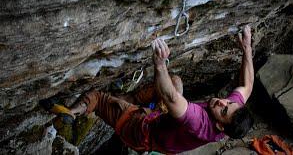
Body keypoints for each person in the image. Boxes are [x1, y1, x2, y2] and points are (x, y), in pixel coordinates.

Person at [59, 25, 254, 154]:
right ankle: (123, 97)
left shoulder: (199, 123)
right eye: (228, 102)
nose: (222, 101)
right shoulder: (233, 116)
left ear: (220, 126)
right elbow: (247, 85)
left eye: (224, 109)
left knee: (98, 98)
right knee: (175, 81)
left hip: (141, 131)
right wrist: (247, 49)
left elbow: (170, 97)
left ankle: (72, 112)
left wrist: (159, 64)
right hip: (163, 123)